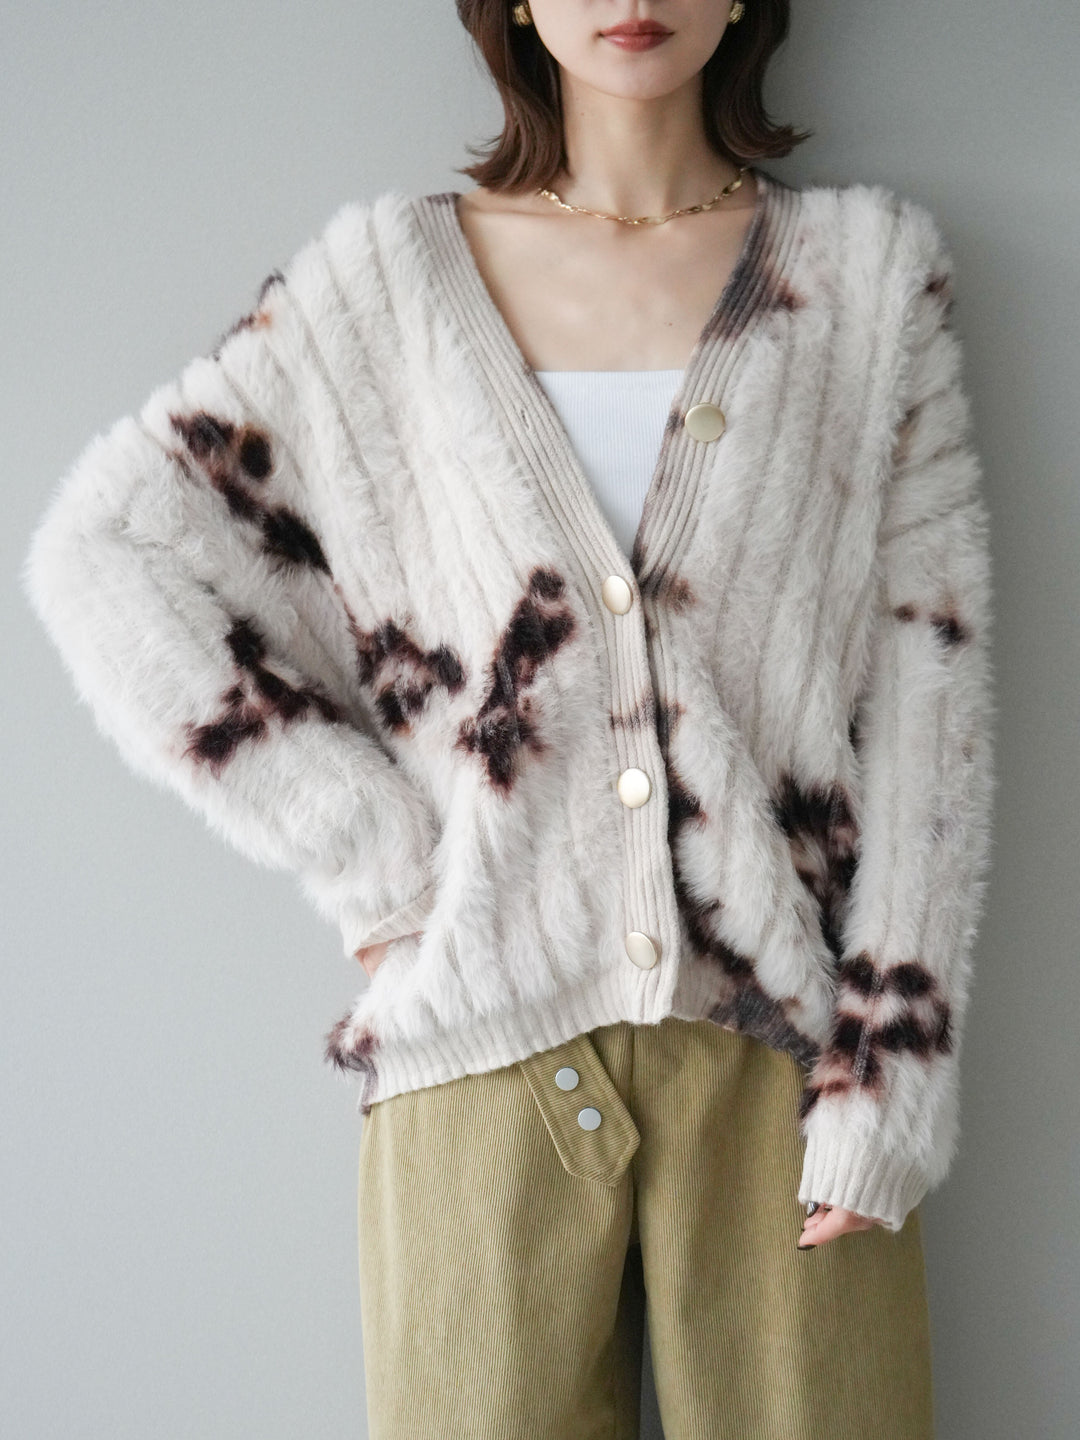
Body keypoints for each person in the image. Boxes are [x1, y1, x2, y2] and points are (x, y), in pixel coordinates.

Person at [22, 1, 995, 1436]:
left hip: (787, 1073)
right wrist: (382, 869)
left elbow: (933, 708)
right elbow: (106, 553)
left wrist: (889, 1083)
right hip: (477, 1042)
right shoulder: (384, 291)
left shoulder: (869, 281)